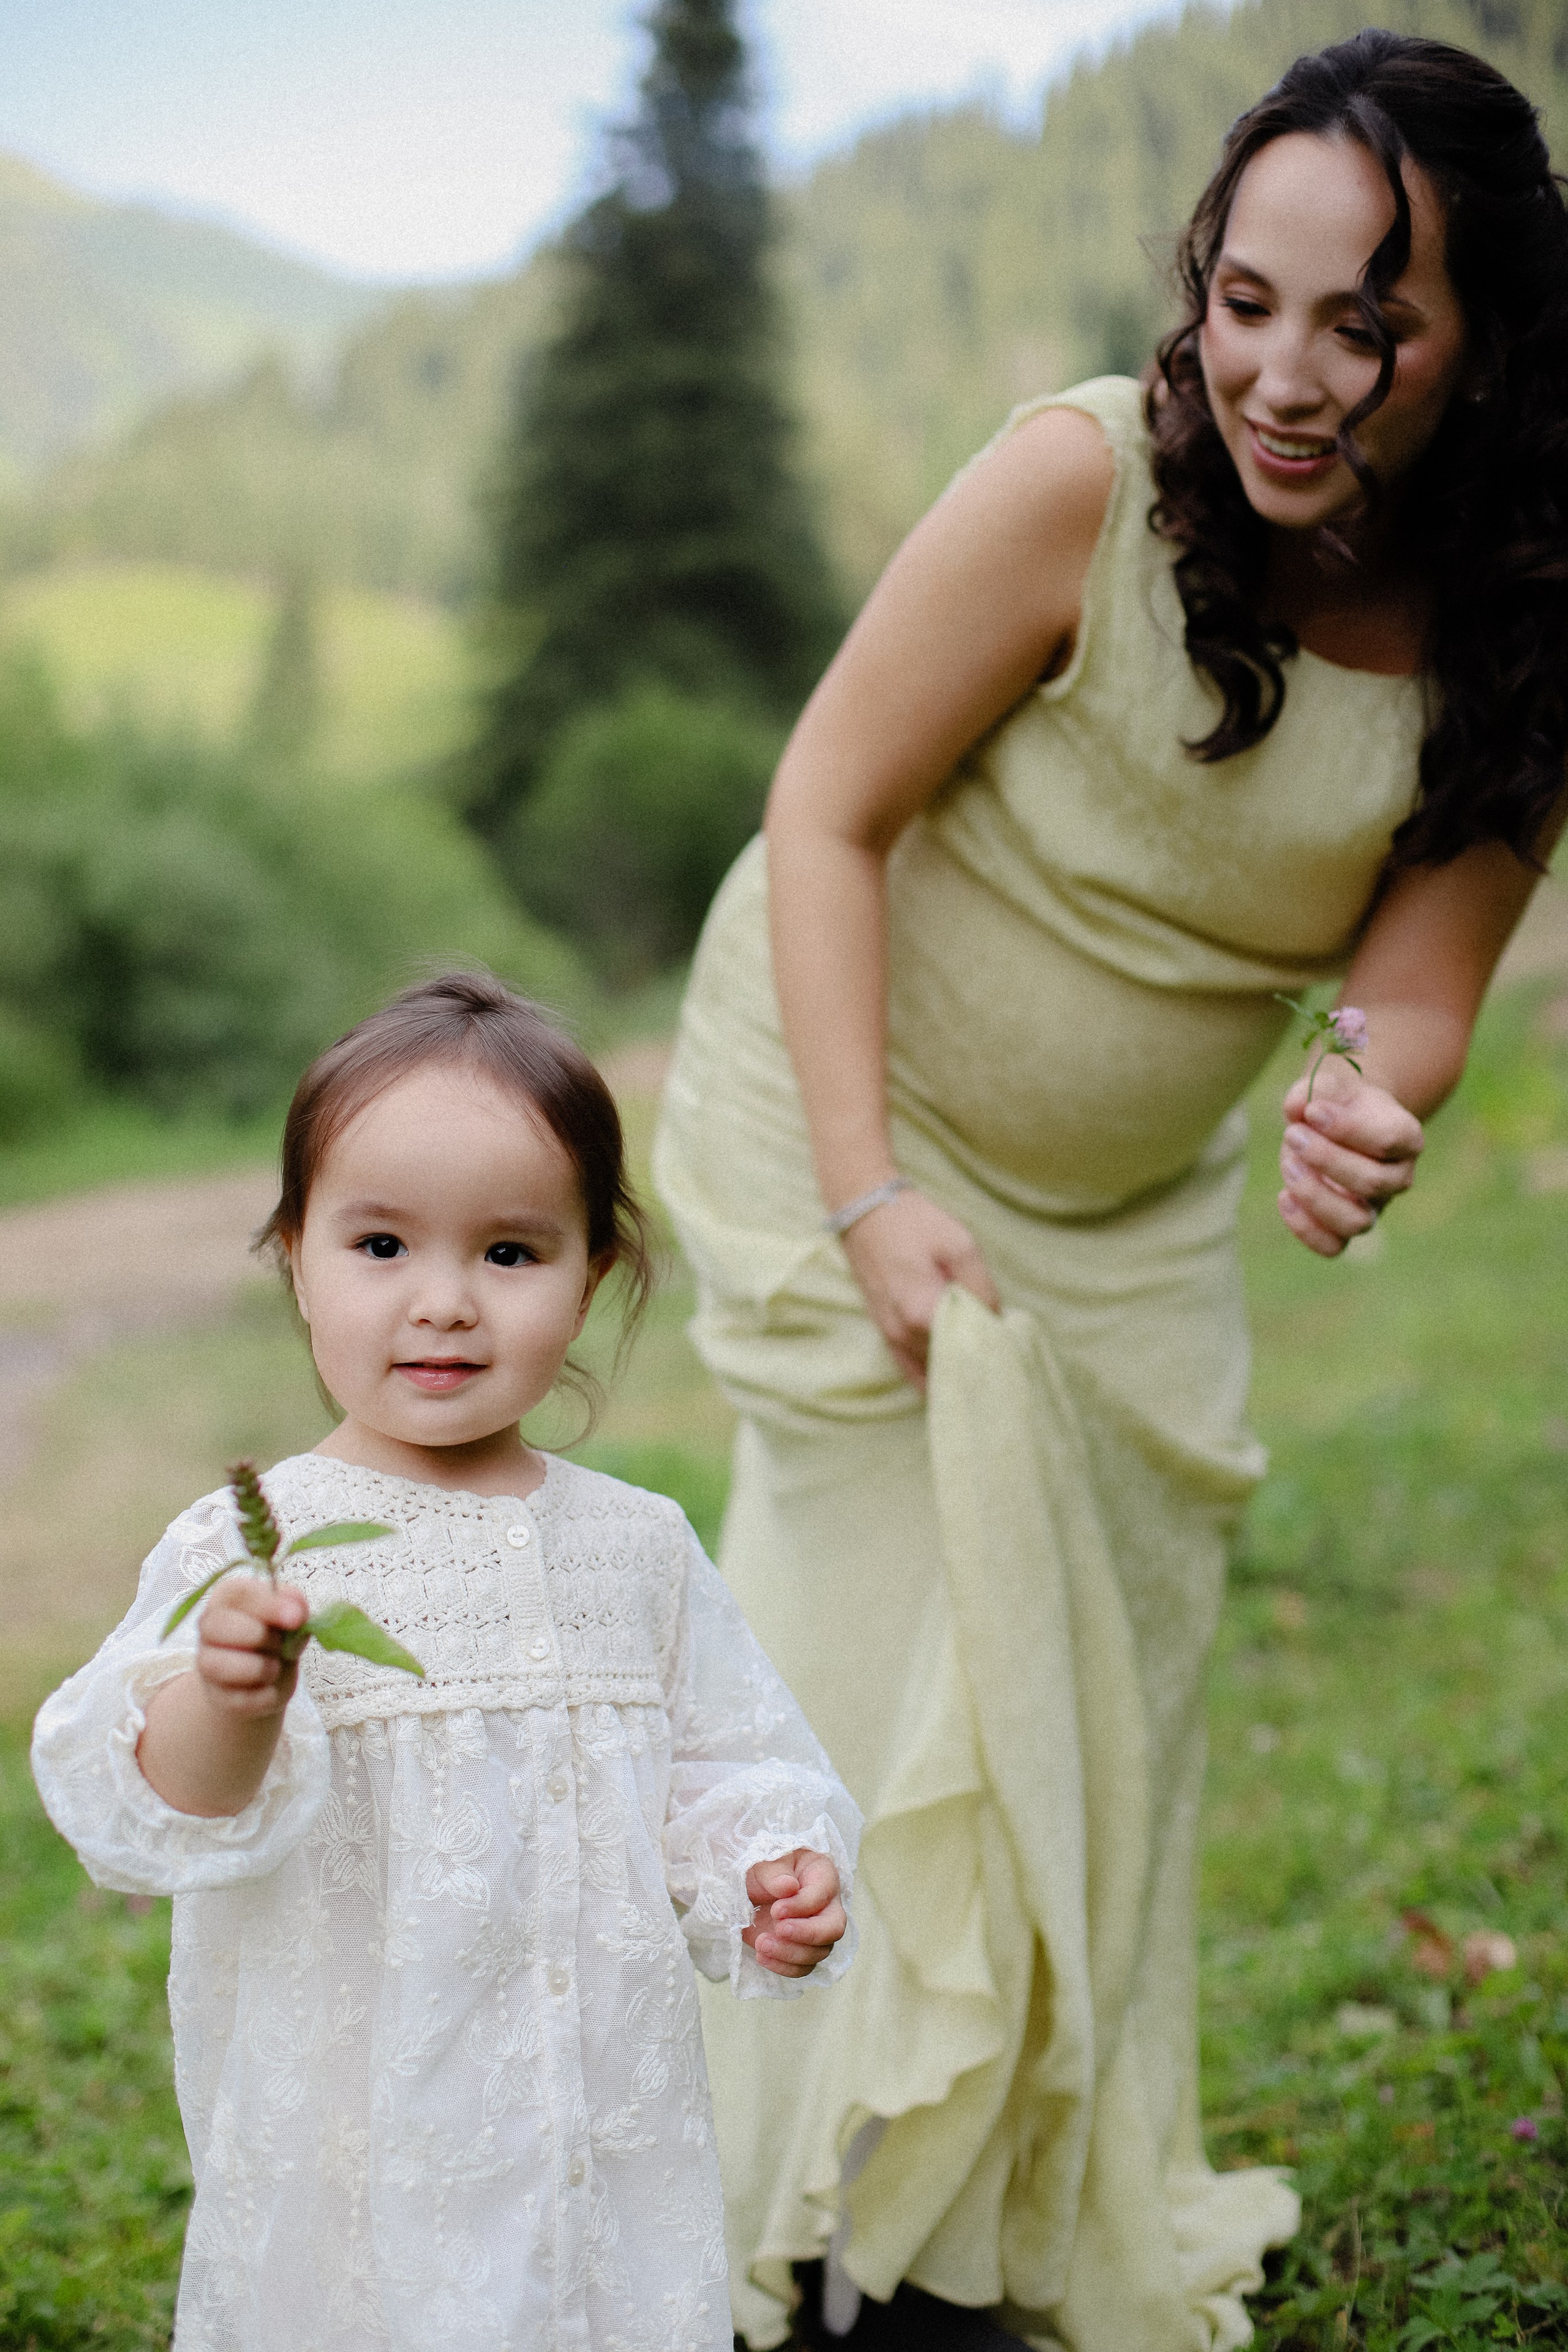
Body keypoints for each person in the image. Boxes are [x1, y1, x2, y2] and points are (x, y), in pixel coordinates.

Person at [654, 29, 1568, 2352]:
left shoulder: (1526, 625)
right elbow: (823, 808)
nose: (1285, 374)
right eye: (1246, 301)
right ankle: (804, 2239)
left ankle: (987, 2213)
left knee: (1091, 1706)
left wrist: (1365, 1100)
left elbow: (1418, 985)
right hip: (844, 1111)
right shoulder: (1079, 486)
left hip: (1127, 1219)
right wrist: (864, 1196)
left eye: (1366, 324)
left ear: (1486, 346)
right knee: (885, 1655)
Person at [32, 971, 861, 2352]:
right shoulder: (255, 1549)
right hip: (366, 2161)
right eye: (380, 1246)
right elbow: (159, 1809)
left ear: (593, 1277)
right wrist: (230, 1700)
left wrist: (767, 1869)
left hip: (602, 2142)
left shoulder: (637, 1546)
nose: (444, 1304)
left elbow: (726, 1760)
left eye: (510, 1254)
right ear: (295, 1259)